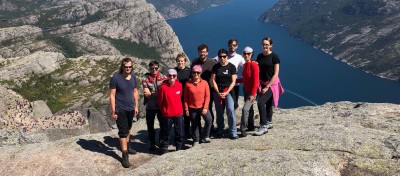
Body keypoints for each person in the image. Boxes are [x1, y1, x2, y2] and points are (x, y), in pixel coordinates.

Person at [109, 57, 139, 168]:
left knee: (128, 128)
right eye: (126, 67)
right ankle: (124, 155)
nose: (128, 69)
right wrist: (113, 110)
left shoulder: (134, 77)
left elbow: (135, 92)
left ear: (132, 67)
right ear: (122, 67)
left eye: (130, 67)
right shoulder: (116, 78)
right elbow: (112, 95)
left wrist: (136, 106)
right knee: (122, 131)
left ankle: (128, 145)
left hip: (131, 108)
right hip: (120, 109)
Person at [254, 37, 284, 136]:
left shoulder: (274, 57)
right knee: (268, 103)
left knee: (261, 102)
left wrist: (267, 86)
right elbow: (257, 68)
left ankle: (263, 125)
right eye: (263, 44)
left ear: (271, 45)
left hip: (272, 84)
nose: (265, 46)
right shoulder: (259, 56)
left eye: (267, 44)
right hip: (262, 83)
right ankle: (269, 121)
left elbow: (276, 74)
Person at [211, 48, 239, 139]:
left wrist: (226, 92)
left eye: (224, 56)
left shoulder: (231, 67)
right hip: (218, 92)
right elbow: (213, 80)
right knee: (219, 112)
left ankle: (233, 131)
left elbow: (233, 81)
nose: (222, 58)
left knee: (230, 110)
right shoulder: (215, 67)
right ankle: (220, 130)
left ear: (227, 56)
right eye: (220, 57)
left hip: (228, 91)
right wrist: (218, 92)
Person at [142, 61, 168, 150]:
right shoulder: (145, 78)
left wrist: (152, 93)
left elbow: (164, 92)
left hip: (161, 106)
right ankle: (152, 142)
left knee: (163, 124)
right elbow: (147, 94)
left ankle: (161, 141)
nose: (154, 70)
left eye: (156, 68)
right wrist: (158, 93)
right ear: (149, 69)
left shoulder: (164, 77)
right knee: (150, 125)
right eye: (152, 68)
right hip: (150, 106)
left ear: (159, 68)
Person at [184, 65, 212, 146]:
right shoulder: (188, 84)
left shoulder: (205, 83)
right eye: (194, 72)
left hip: (202, 106)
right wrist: (186, 109)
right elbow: (185, 98)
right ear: (192, 73)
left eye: (198, 72)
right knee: (194, 124)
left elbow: (207, 96)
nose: (196, 74)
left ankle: (206, 136)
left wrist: (205, 107)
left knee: (209, 119)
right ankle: (196, 139)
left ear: (201, 73)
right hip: (192, 107)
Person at [191, 44, 217, 132]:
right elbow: (191, 75)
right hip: (197, 90)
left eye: (204, 52)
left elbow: (216, 75)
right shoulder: (194, 62)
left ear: (207, 53)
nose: (202, 53)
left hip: (209, 89)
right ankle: (197, 128)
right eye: (201, 52)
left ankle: (210, 128)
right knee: (196, 109)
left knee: (208, 108)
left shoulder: (212, 63)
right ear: (198, 52)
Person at [157, 69, 184, 154]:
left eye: (174, 75)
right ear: (167, 76)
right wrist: (164, 111)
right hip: (167, 115)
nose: (172, 77)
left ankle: (179, 148)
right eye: (170, 75)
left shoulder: (180, 85)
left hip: (179, 114)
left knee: (179, 132)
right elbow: (160, 102)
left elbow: (180, 97)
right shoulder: (163, 88)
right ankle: (164, 149)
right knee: (166, 133)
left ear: (176, 77)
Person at [214, 39, 245, 110]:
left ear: (237, 46)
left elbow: (246, 66)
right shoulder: (223, 55)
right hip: (222, 85)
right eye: (230, 45)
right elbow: (213, 61)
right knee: (222, 106)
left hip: (234, 85)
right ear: (228, 46)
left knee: (233, 105)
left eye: (234, 45)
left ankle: (231, 119)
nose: (232, 47)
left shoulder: (239, 57)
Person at [238, 46, 259, 137]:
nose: (246, 55)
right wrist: (235, 80)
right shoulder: (245, 65)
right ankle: (251, 125)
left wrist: (253, 94)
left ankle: (243, 129)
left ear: (251, 54)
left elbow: (256, 80)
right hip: (246, 90)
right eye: (245, 53)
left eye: (248, 54)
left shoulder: (254, 65)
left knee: (245, 109)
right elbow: (245, 79)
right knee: (250, 109)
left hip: (252, 91)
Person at [174, 53, 192, 138]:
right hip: (176, 96)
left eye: (182, 61)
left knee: (187, 114)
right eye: (178, 61)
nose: (180, 62)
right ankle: (179, 132)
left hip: (187, 96)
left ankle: (187, 131)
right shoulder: (174, 72)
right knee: (178, 115)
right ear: (176, 61)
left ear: (185, 61)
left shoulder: (189, 71)